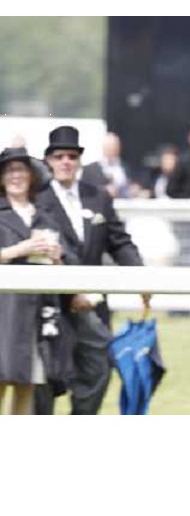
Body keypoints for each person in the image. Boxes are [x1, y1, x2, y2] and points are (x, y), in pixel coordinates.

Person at [34, 125, 149, 415]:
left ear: (80, 160)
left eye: (72, 156)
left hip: (92, 307)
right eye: (59, 156)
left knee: (97, 371)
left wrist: (142, 279)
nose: (65, 162)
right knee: (45, 380)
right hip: (50, 307)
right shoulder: (37, 198)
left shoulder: (98, 196)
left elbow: (119, 242)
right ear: (48, 160)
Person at [0, 147, 76, 415]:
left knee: (26, 387)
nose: (16, 176)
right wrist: (16, 250)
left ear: (31, 176)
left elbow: (69, 260)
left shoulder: (45, 216)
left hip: (37, 315)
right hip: (3, 314)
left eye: (21, 170)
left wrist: (57, 257)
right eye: (9, 171)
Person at [81, 132, 135, 198]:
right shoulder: (89, 170)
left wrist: (133, 191)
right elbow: (83, 190)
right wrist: (103, 191)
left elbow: (128, 188)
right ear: (103, 148)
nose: (112, 149)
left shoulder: (125, 168)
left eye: (115, 146)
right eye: (109, 146)